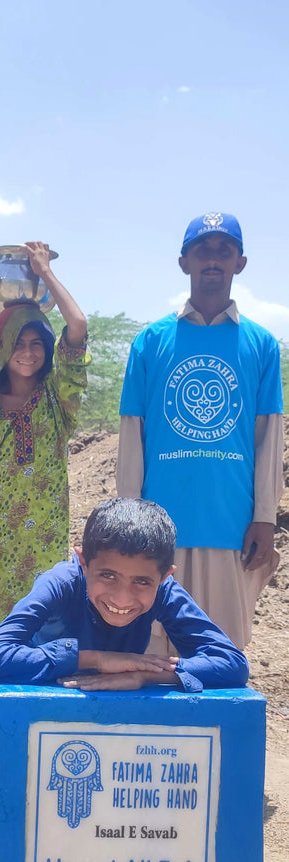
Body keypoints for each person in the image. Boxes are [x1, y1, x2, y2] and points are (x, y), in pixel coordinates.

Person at [117, 213, 284, 653]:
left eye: (223, 250)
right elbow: (133, 435)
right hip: (158, 529)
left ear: (240, 263)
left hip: (230, 525)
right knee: (152, 652)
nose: (213, 259)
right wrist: (128, 518)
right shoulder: (150, 342)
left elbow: (269, 437)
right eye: (202, 250)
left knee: (221, 654)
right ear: (183, 262)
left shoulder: (261, 344)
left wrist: (265, 517)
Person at [0, 246, 89, 752]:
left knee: (41, 645)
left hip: (44, 555)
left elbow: (76, 326)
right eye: (20, 341)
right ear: (3, 346)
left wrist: (46, 273)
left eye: (39, 342)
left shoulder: (58, 402)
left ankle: (31, 742)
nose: (29, 351)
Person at [0, 497, 248, 694]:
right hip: (37, 708)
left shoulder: (164, 591)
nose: (122, 598)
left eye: (141, 581)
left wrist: (142, 675)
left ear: (164, 576)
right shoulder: (60, 583)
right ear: (83, 562)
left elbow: (232, 664)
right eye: (108, 576)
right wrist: (97, 660)